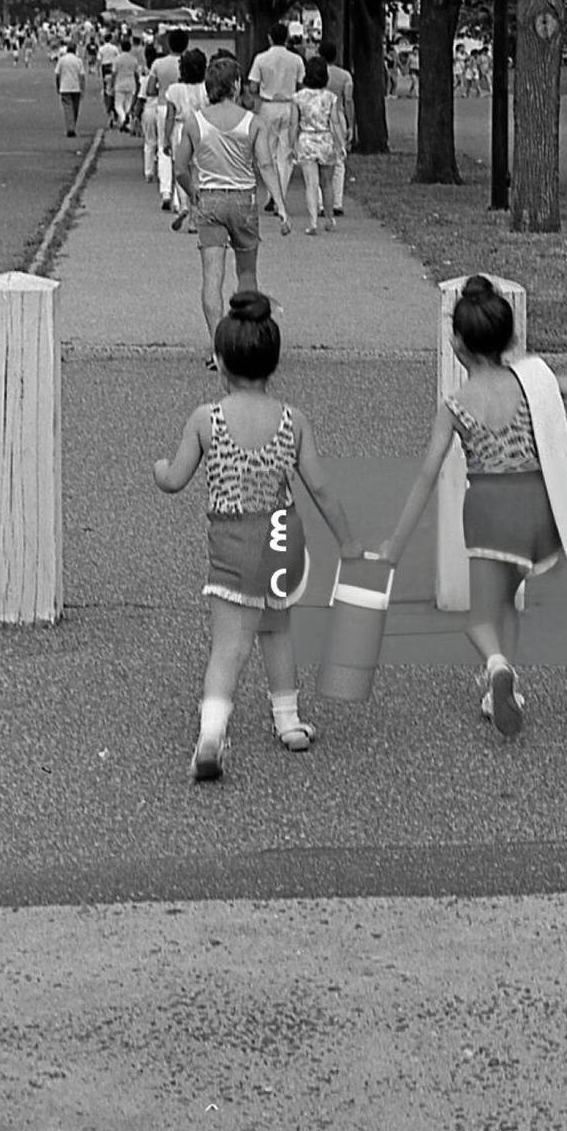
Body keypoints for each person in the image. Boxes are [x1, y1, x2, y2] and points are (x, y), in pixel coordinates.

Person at [372, 275, 567, 738]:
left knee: (479, 618)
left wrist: (394, 545)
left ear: (456, 343)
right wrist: (539, 374)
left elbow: (428, 474)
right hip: (538, 508)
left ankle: (496, 667)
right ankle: (507, 686)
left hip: (489, 511)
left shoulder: (455, 405)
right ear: (510, 338)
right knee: (507, 604)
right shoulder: (531, 385)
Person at [152, 289, 361, 781]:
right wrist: (348, 542)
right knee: (277, 629)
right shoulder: (293, 421)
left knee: (228, 646)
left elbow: (175, 478)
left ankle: (211, 732)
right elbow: (322, 489)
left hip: (232, 542)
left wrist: (158, 469)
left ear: (220, 361)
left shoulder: (207, 420)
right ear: (274, 361)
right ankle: (288, 722)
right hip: (282, 535)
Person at [171, 53, 290, 368]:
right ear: (236, 84)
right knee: (246, 272)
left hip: (210, 200)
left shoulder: (195, 122)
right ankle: (248, 345)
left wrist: (193, 192)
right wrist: (279, 203)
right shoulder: (254, 123)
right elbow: (265, 164)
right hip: (244, 201)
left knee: (212, 277)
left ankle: (217, 349)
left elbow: (180, 167)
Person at [246, 25, 303, 214]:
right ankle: (280, 198)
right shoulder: (296, 59)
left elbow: (253, 87)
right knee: (285, 154)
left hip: (268, 106)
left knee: (267, 152)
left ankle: (271, 193)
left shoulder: (261, 59)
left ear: (270, 37)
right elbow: (301, 84)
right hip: (289, 104)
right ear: (286, 38)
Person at [142, 28, 189, 209]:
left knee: (163, 149)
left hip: (162, 106)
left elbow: (150, 89)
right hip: (184, 108)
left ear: (169, 44)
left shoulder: (158, 64)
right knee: (183, 154)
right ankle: (180, 198)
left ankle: (165, 191)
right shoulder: (187, 63)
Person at [163, 47, 209, 232]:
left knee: (181, 171)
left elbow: (169, 117)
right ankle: (194, 219)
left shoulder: (174, 90)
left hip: (180, 130)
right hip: (201, 129)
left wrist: (166, 139)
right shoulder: (206, 89)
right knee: (198, 174)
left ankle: (183, 205)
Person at [294, 51, 339, 235]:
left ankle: (313, 221)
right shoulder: (330, 97)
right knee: (327, 183)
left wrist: (291, 143)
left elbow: (293, 123)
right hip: (325, 139)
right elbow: (335, 121)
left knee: (310, 183)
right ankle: (329, 217)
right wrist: (340, 142)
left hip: (306, 139)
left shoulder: (298, 97)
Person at [318, 38, 354, 216]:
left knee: (319, 159)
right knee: (339, 160)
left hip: (318, 117)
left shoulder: (316, 73)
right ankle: (337, 202)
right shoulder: (344, 76)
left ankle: (321, 203)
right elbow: (348, 100)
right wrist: (351, 125)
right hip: (338, 116)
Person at [54, 40, 86, 138]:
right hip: (76, 87)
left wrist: (58, 86)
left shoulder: (62, 60)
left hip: (65, 87)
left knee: (68, 109)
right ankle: (72, 127)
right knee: (75, 109)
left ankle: (70, 127)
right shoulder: (78, 61)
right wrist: (82, 88)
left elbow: (57, 74)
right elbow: (82, 76)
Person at [111, 34, 140, 132]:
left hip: (119, 83)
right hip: (131, 83)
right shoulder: (133, 59)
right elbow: (136, 73)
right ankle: (127, 121)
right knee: (128, 104)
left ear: (121, 47)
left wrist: (111, 84)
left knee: (118, 105)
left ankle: (123, 119)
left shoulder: (117, 59)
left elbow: (114, 73)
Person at [96, 32, 120, 124]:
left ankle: (108, 104)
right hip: (113, 67)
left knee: (106, 86)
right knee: (114, 85)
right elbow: (118, 58)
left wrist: (98, 70)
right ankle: (114, 107)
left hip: (104, 67)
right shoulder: (114, 48)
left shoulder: (101, 49)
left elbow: (99, 60)